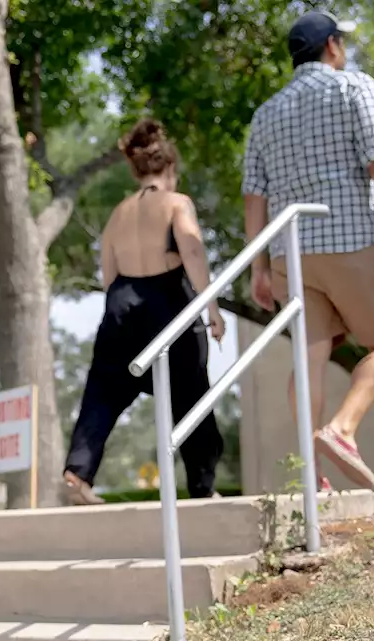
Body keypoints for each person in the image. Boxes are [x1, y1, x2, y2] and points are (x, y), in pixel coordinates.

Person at [242, 9, 374, 490]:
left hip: (290, 253)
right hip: (349, 239)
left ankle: (312, 472)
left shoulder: (265, 114)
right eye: (342, 43)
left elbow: (254, 198)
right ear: (331, 45)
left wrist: (258, 269)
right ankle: (342, 429)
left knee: (310, 358)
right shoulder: (353, 87)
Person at [63, 119, 226, 506]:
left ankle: (78, 472)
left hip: (122, 301)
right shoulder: (176, 203)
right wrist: (211, 307)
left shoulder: (117, 215)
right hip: (167, 299)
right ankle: (202, 486)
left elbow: (108, 273)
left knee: (103, 392)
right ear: (170, 168)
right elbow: (191, 249)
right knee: (191, 394)